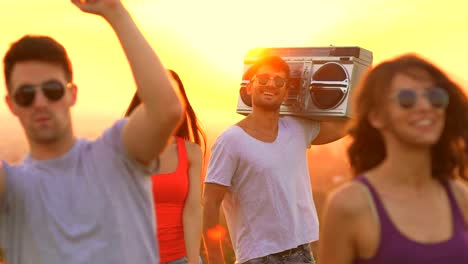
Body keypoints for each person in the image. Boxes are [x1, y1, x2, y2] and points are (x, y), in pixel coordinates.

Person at [0, 0, 184, 263]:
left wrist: (116, 12)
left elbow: (166, 110)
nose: (40, 102)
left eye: (52, 90)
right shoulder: (13, 188)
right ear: (11, 104)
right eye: (26, 94)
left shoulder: (118, 155)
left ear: (72, 93)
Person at [318, 54, 468, 264]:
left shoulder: (460, 197)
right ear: (376, 116)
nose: (426, 106)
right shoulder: (350, 205)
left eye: (435, 97)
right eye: (407, 99)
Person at [202, 55, 348, 264]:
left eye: (279, 81)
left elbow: (343, 127)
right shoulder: (230, 141)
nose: (271, 84)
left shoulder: (297, 129)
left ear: (287, 91)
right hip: (257, 256)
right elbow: (209, 202)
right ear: (249, 88)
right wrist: (215, 260)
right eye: (263, 79)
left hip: (301, 252)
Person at [125, 70, 205, 264]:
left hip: (181, 258)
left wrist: (193, 261)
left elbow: (193, 209)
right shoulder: (123, 149)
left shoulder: (191, 152)